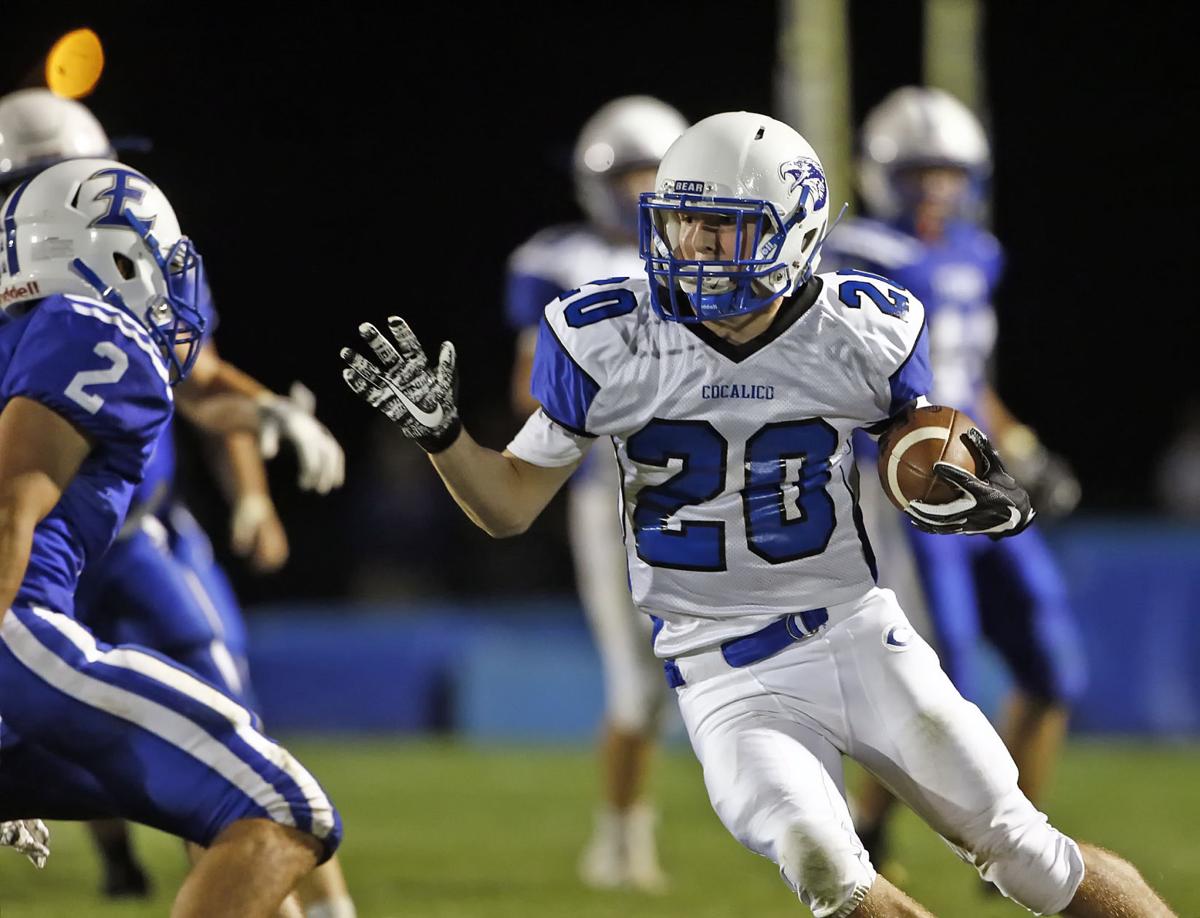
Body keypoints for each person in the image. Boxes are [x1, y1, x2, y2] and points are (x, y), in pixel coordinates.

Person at [341, 111, 1176, 916]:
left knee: (1024, 851)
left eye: (725, 228)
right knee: (826, 868)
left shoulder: (862, 329)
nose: (696, 249)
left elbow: (923, 448)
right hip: (721, 672)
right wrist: (444, 438)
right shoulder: (606, 335)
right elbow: (510, 504)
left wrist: (963, 483)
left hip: (857, 635)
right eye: (683, 224)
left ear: (796, 230)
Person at [0, 87, 356, 915]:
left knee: (206, 776)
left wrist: (263, 418)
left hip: (66, 590)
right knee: (281, 804)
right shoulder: (94, 332)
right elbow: (12, 509)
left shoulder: (29, 324)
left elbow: (203, 389)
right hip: (24, 624)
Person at [821, 86, 1087, 879]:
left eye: (948, 171)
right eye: (917, 171)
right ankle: (869, 832)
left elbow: (972, 379)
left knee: (1052, 664)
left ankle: (1019, 838)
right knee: (944, 679)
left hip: (986, 478)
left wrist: (1022, 446)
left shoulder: (977, 253)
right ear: (882, 174)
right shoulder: (857, 250)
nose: (936, 187)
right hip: (913, 487)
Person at [504, 94, 686, 891]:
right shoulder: (557, 260)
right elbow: (527, 389)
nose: (643, 193)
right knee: (637, 685)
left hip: (703, 491)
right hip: (608, 494)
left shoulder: (708, 256)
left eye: (656, 175)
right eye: (630, 176)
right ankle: (620, 840)